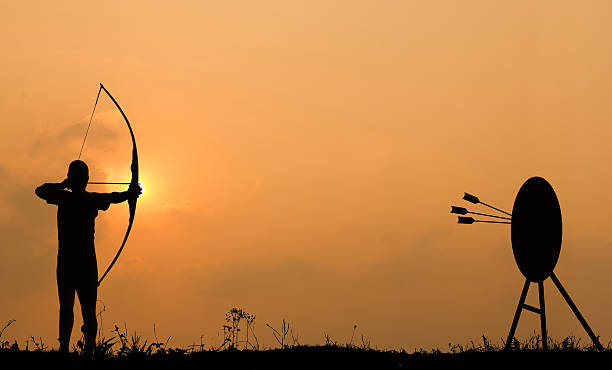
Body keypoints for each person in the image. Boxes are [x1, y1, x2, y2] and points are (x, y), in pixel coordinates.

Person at [35, 160, 141, 354]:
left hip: (70, 263)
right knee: (81, 308)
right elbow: (114, 197)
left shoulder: (64, 198)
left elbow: (41, 190)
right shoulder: (84, 199)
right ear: (87, 180)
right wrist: (130, 193)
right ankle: (79, 348)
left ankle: (72, 348)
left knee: (73, 308)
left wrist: (129, 193)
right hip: (82, 263)